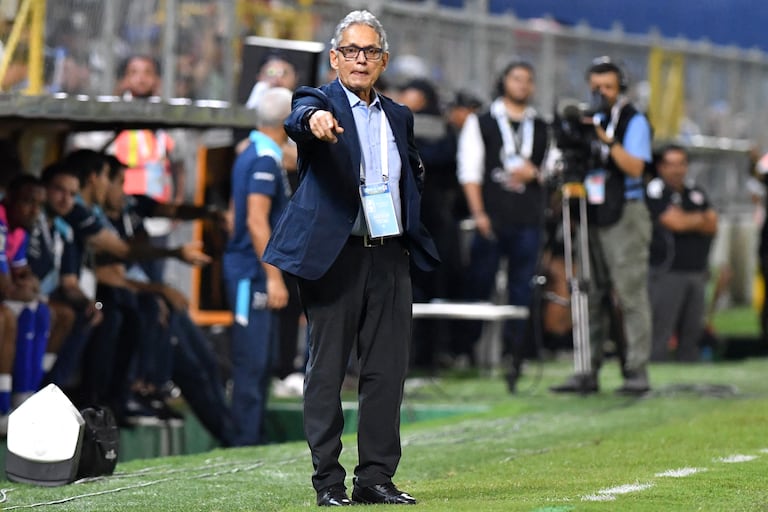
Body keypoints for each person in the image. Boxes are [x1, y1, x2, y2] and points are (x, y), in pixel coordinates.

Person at [263, 10, 439, 506]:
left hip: (389, 254)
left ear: (383, 60)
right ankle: (327, 483)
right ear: (335, 58)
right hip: (335, 257)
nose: (360, 59)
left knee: (387, 371)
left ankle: (375, 479)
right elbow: (298, 117)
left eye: (370, 52)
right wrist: (314, 121)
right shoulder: (317, 100)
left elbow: (410, 176)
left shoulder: (399, 114)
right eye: (350, 51)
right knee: (326, 371)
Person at [550, 56, 653, 395]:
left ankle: (637, 370)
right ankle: (587, 369)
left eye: (608, 87)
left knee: (629, 293)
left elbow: (636, 167)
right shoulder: (586, 118)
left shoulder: (633, 119)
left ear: (620, 88)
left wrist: (604, 138)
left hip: (625, 212)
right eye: (596, 87)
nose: (602, 93)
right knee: (588, 291)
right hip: (590, 211)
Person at [456, 60, 550, 391]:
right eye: (516, 78)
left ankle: (516, 354)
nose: (522, 85)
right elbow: (469, 171)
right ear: (504, 82)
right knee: (479, 283)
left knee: (522, 289)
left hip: (528, 218)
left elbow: (551, 171)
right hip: (492, 217)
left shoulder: (541, 126)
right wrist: (478, 213)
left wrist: (535, 173)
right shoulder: (481, 123)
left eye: (528, 80)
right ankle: (466, 350)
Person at [223, 87, 292, 446]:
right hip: (251, 274)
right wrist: (273, 275)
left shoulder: (256, 151)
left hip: (252, 271)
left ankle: (253, 436)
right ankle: (243, 442)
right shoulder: (264, 159)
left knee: (260, 361)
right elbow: (255, 220)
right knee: (250, 362)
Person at [398, 78, 465, 371]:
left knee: (433, 290)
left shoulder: (442, 131)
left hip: (433, 224)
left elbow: (445, 158)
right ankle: (404, 358)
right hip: (399, 223)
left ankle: (431, 356)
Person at [647, 145, 718, 361]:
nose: (677, 170)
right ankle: (656, 370)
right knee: (661, 330)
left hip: (696, 270)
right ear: (661, 167)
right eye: (671, 164)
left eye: (681, 164)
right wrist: (698, 219)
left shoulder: (694, 191)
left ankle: (689, 370)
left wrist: (688, 220)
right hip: (667, 272)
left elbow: (713, 224)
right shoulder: (655, 191)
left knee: (692, 331)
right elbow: (674, 222)